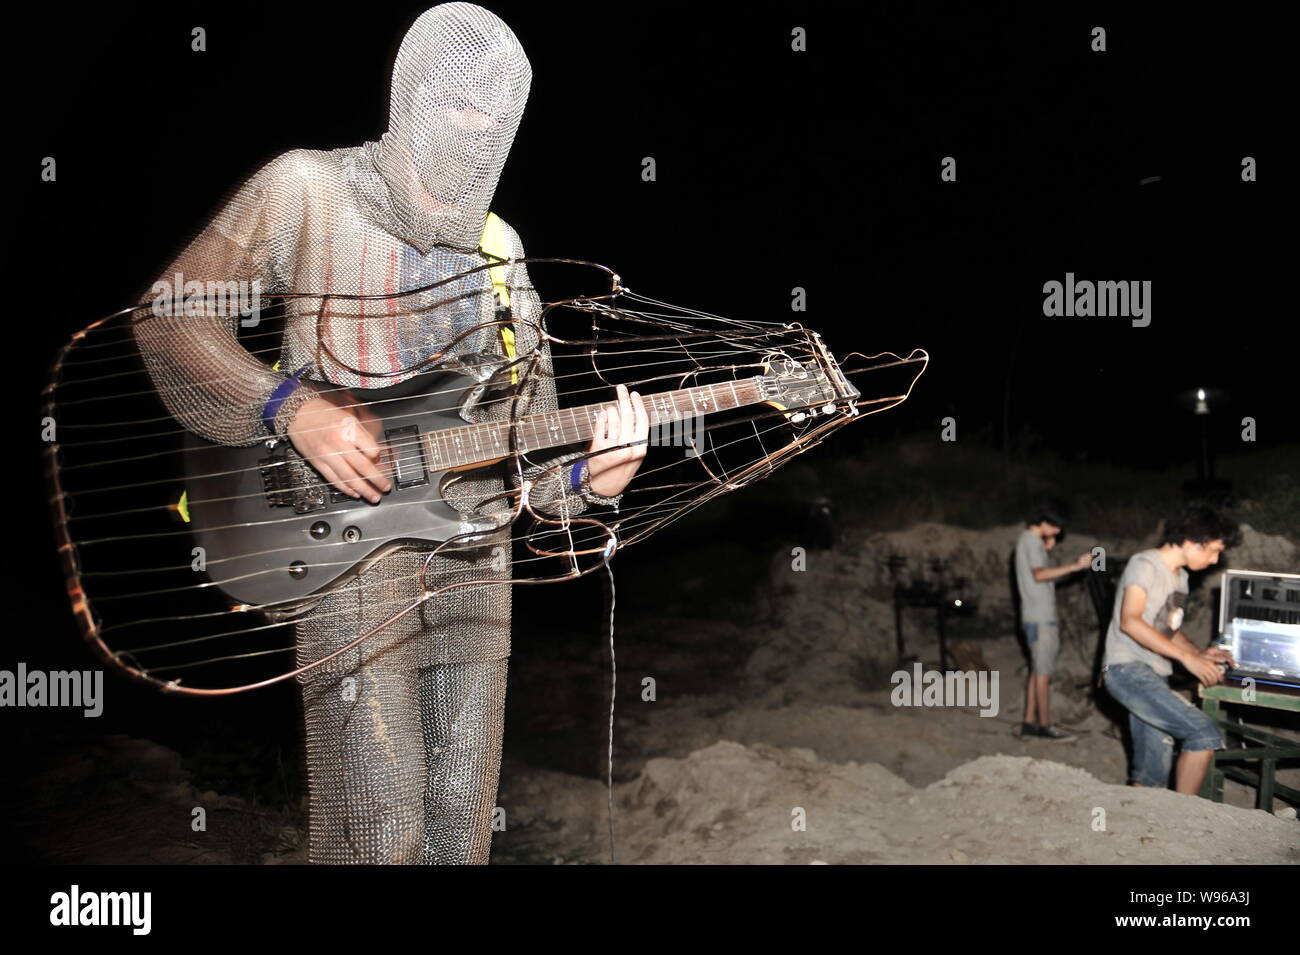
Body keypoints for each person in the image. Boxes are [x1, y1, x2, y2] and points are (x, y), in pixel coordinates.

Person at [133, 3, 648, 863]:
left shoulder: (501, 250)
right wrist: (289, 405)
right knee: (379, 826)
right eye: (459, 106)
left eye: (497, 116)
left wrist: (593, 480)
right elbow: (171, 319)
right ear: (411, 96)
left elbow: (533, 459)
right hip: (352, 564)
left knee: (457, 830)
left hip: (478, 569)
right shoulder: (308, 191)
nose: (478, 130)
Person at [1101, 505, 1239, 794]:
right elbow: (1130, 621)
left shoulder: (1181, 578)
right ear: (1191, 541)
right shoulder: (1145, 564)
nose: (1215, 560)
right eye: (1213, 551)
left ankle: (1136, 831)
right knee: (1203, 734)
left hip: (1153, 673)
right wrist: (1187, 659)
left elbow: (1169, 630)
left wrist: (1199, 653)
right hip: (1127, 669)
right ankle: (1183, 821)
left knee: (1152, 771)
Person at [1014, 503, 1092, 740]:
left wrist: (1047, 549)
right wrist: (1075, 566)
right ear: (1044, 522)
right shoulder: (1032, 542)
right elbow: (1039, 575)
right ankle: (1046, 726)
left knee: (1037, 671)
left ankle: (1029, 722)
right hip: (1040, 619)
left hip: (1033, 616)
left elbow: (1035, 573)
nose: (1058, 532)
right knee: (1044, 673)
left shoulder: (1028, 540)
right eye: (1056, 527)